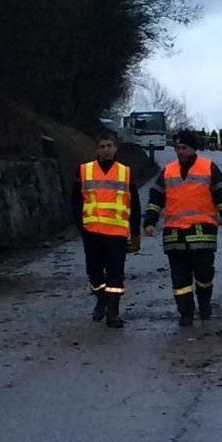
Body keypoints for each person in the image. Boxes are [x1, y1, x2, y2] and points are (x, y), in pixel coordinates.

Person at [144, 129, 222, 326]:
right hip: (175, 235)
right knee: (180, 279)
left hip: (202, 234)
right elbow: (156, 199)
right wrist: (150, 222)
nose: (180, 152)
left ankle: (204, 304)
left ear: (193, 148)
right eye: (177, 148)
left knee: (204, 274)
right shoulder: (168, 171)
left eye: (183, 148)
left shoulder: (208, 168)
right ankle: (185, 313)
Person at [71, 130, 141, 328]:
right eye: (102, 146)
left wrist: (135, 233)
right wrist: (81, 225)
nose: (106, 150)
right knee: (94, 272)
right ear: (97, 149)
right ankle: (101, 298)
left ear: (116, 147)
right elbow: (76, 201)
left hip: (117, 234)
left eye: (109, 146)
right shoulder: (84, 170)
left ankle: (113, 312)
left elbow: (134, 204)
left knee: (115, 274)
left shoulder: (125, 172)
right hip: (91, 232)